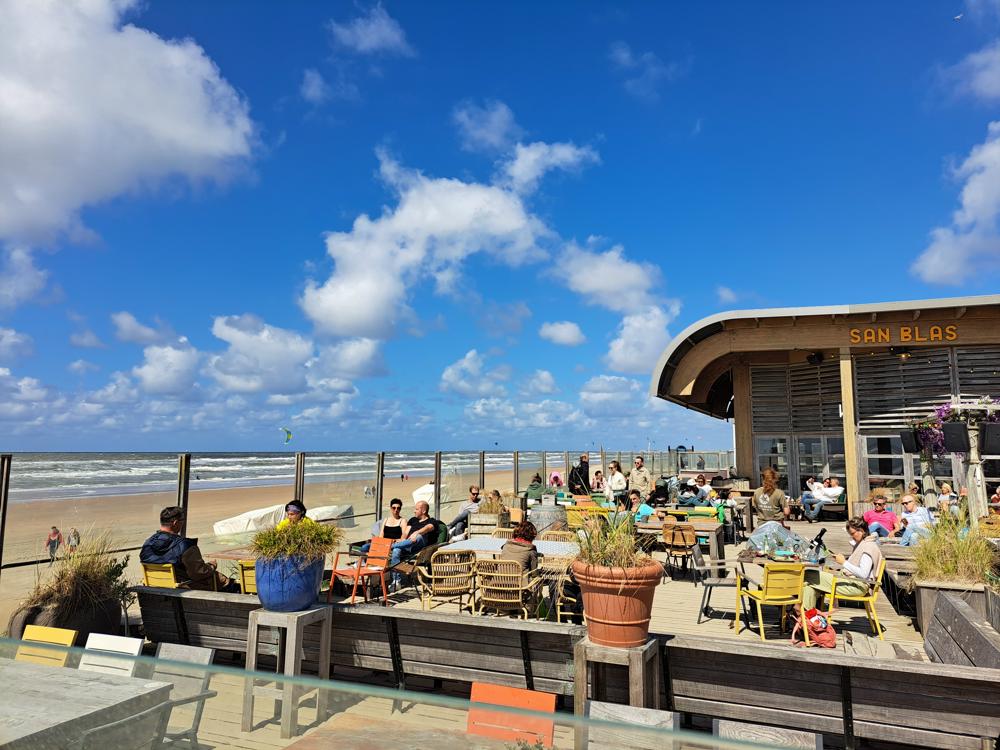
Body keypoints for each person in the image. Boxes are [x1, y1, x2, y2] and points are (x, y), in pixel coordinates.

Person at [140, 506, 239, 592]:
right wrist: (211, 566)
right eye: (182, 521)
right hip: (184, 589)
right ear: (175, 523)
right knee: (227, 583)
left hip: (157, 588)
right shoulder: (184, 545)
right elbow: (198, 572)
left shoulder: (147, 544)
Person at [801, 517, 882, 612]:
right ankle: (807, 620)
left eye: (852, 534)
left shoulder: (868, 547)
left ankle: (803, 615)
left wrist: (844, 562)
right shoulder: (865, 543)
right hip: (852, 582)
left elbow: (864, 574)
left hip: (856, 586)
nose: (852, 537)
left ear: (862, 531)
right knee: (809, 587)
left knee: (808, 574)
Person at [389, 500, 440, 582]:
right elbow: (405, 533)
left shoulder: (432, 521)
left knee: (419, 537)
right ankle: (396, 581)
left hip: (420, 549)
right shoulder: (413, 520)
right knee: (396, 550)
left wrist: (417, 532)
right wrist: (402, 539)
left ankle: (389, 547)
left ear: (423, 511)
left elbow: (428, 528)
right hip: (407, 545)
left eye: (416, 509)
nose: (414, 511)